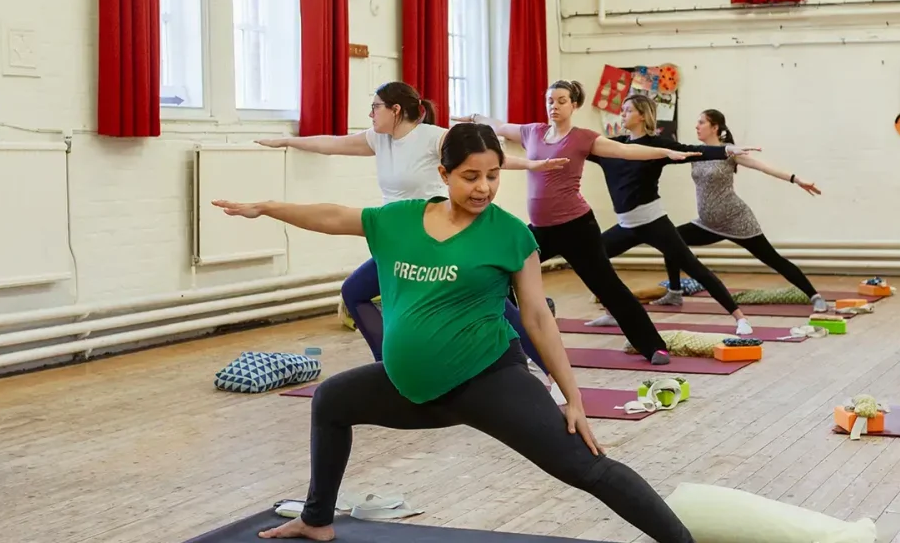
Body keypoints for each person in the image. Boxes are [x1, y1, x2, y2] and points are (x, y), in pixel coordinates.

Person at [214, 123, 695, 543]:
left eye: (493, 175)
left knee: (585, 467)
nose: (483, 188)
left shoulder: (511, 234)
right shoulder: (398, 220)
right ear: (444, 174)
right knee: (331, 401)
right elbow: (333, 216)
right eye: (470, 176)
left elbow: (536, 317)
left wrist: (572, 397)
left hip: (489, 382)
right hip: (412, 389)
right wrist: (268, 207)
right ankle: (316, 520)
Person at [257, 81, 569, 397]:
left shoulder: (432, 137)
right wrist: (287, 140)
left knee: (500, 304)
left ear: (395, 110)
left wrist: (533, 164)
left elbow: (483, 157)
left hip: (446, 235)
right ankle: (390, 368)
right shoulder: (378, 139)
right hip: (402, 241)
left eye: (375, 107)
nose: (370, 114)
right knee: (354, 292)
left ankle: (552, 374)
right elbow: (332, 144)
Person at [455, 81, 714, 364]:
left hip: (577, 228)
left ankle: (653, 345)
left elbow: (624, 151)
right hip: (540, 230)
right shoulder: (533, 132)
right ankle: (514, 341)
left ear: (574, 105)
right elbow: (500, 126)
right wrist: (475, 118)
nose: (554, 106)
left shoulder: (582, 138)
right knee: (501, 275)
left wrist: (664, 152)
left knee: (608, 287)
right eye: (550, 100)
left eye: (561, 101)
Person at [581, 95, 760, 335]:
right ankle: (614, 312)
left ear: (642, 115)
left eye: (628, 110)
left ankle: (740, 318)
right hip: (626, 225)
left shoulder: (657, 145)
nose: (622, 114)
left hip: (653, 223)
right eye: (622, 110)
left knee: (694, 268)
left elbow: (694, 150)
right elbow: (578, 146)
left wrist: (726, 149)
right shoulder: (611, 148)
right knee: (590, 259)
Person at [657, 108, 828, 312]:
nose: (697, 126)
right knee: (670, 242)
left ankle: (815, 296)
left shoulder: (729, 152)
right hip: (708, 223)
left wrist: (796, 179)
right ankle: (675, 293)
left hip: (737, 220)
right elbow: (664, 153)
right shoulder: (696, 152)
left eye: (701, 122)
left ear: (714, 127)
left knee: (772, 259)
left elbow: (762, 166)